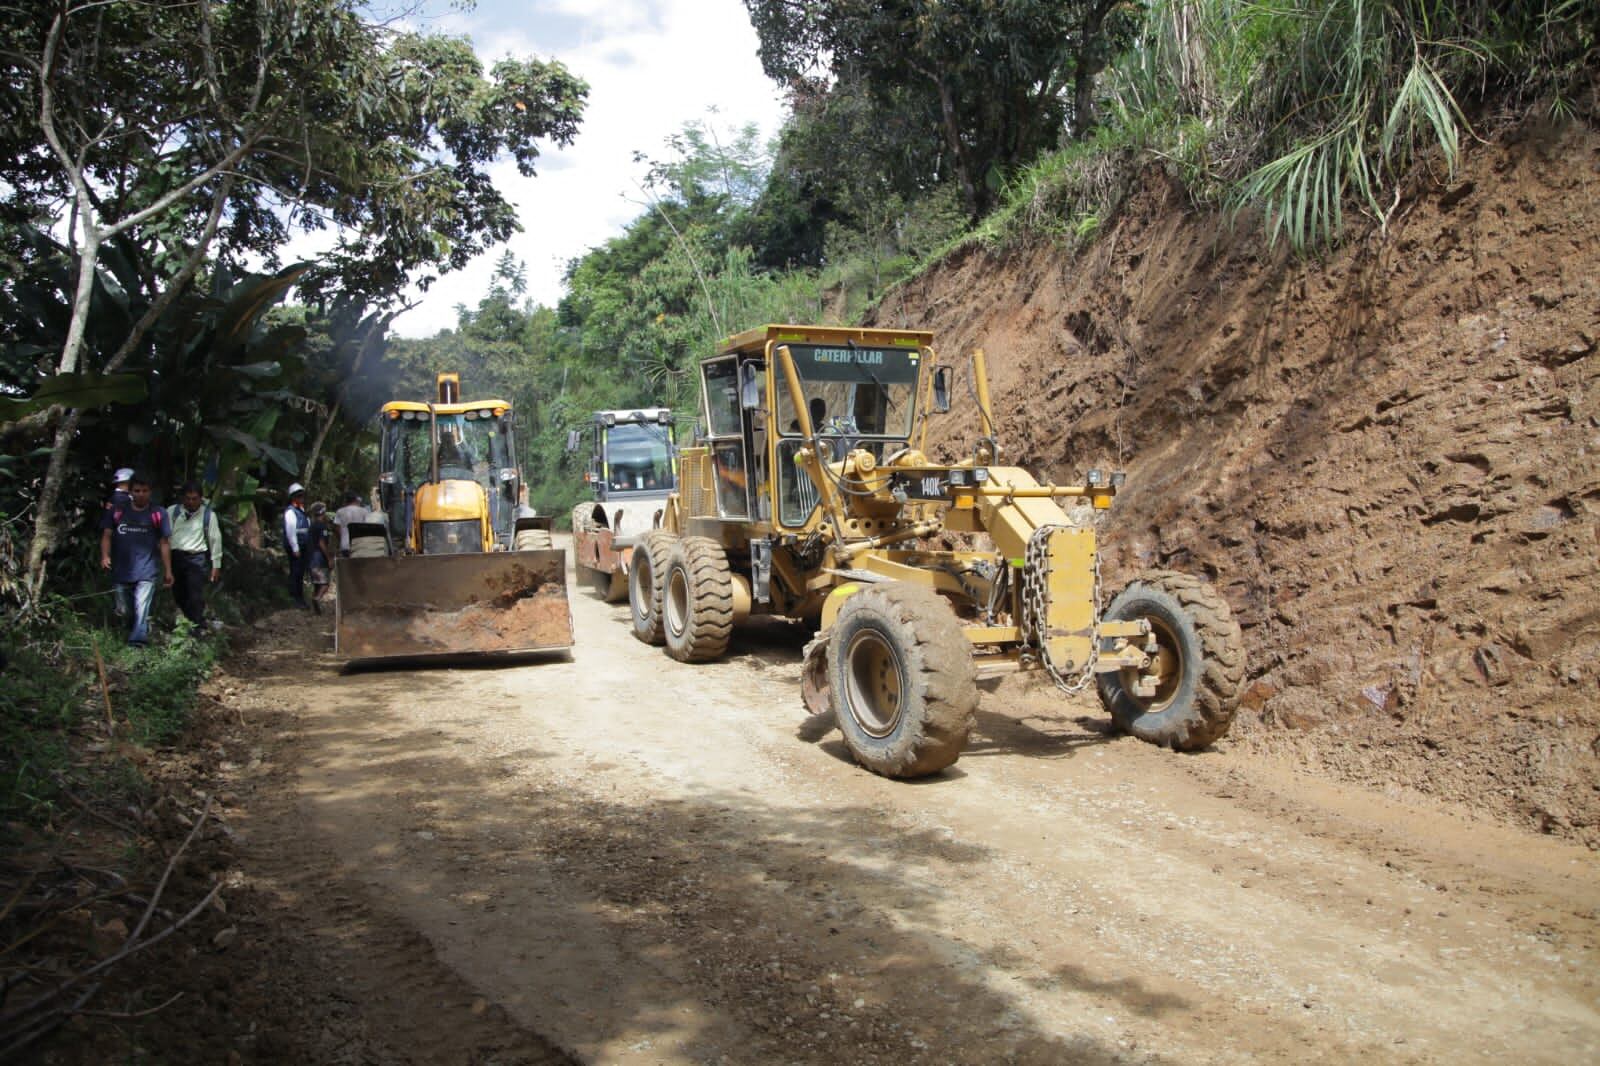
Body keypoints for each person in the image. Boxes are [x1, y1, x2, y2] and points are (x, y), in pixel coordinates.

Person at [99, 473, 173, 646]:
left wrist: (168, 570)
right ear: (130, 491)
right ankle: (130, 630)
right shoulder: (117, 511)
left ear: (150, 492)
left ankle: (137, 642)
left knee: (142, 607)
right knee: (124, 609)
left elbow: (164, 542)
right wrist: (105, 556)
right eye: (137, 491)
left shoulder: (158, 513)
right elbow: (106, 535)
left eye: (145, 491)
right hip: (120, 569)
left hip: (147, 570)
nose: (141, 494)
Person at [167, 481, 222, 629]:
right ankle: (188, 624)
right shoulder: (172, 512)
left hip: (197, 558)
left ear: (201, 498)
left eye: (194, 498)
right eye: (188, 498)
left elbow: (215, 540)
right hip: (176, 557)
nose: (191, 502)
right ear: (182, 498)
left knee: (195, 594)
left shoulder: (209, 515)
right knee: (179, 593)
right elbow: (165, 537)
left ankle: (197, 626)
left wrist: (216, 565)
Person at [282, 483, 311, 609]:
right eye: (299, 496)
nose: (301, 499)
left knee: (300, 573)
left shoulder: (301, 510)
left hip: (303, 545)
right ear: (293, 497)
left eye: (302, 496)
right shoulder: (290, 512)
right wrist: (295, 548)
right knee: (296, 572)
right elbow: (290, 531)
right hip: (297, 546)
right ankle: (296, 599)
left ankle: (300, 598)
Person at [306, 502, 333, 614]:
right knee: (325, 584)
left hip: (311, 557)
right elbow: (322, 543)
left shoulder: (312, 525)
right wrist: (329, 558)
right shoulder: (321, 526)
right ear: (322, 512)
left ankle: (314, 608)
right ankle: (317, 599)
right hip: (319, 558)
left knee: (317, 584)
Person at [334, 491, 367, 556]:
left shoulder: (340, 511)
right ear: (356, 500)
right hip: (359, 544)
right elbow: (366, 528)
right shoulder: (364, 511)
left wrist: (342, 538)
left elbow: (337, 529)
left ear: (346, 500)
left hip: (345, 545)